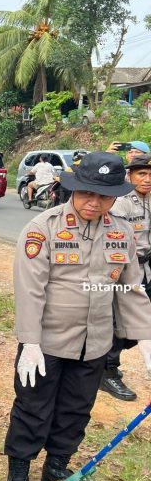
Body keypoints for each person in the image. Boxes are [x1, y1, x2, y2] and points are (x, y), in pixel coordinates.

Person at [4, 152, 151, 481]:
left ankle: (56, 468)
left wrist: (147, 341)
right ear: (73, 189)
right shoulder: (44, 228)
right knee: (33, 408)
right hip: (48, 342)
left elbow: (130, 289)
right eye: (86, 193)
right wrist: (30, 342)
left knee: (76, 410)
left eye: (103, 196)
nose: (93, 202)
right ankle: (18, 475)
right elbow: (30, 290)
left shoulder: (121, 232)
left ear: (115, 197)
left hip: (96, 343)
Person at [100, 154, 151, 401]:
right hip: (122, 271)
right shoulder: (121, 204)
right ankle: (107, 372)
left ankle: (107, 363)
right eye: (142, 174)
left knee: (137, 322)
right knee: (118, 321)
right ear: (130, 176)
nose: (147, 179)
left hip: (146, 268)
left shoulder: (150, 199)